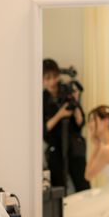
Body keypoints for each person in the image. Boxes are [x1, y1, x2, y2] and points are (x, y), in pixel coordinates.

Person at [42, 58, 90, 193]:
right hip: (55, 149)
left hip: (74, 147)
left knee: (83, 186)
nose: (52, 82)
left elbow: (80, 122)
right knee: (59, 190)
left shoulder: (67, 92)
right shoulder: (42, 99)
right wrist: (60, 115)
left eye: (54, 77)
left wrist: (75, 103)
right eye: (47, 78)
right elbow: (43, 130)